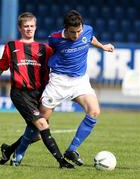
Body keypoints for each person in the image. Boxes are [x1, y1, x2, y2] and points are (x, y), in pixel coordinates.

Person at [0, 12, 74, 169]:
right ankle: (61, 162)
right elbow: (0, 68)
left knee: (36, 133)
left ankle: (8, 150)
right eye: (26, 26)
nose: (29, 29)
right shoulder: (11, 46)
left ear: (36, 27)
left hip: (39, 94)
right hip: (20, 93)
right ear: (20, 28)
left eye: (31, 26)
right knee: (42, 125)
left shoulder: (45, 49)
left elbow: (55, 71)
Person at [39, 10, 115, 166]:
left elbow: (89, 38)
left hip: (80, 81)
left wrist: (102, 46)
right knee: (40, 122)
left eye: (79, 31)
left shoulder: (87, 30)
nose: (76, 35)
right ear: (66, 28)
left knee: (94, 111)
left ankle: (71, 150)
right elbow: (47, 54)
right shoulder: (54, 39)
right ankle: (16, 150)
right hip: (59, 81)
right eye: (73, 32)